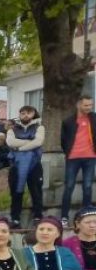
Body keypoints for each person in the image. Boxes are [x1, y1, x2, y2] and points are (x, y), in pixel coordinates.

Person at [7, 106, 45, 228]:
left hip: (34, 164)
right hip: (16, 165)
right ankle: (15, 219)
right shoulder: (12, 129)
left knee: (36, 192)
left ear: (34, 114)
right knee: (16, 192)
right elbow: (10, 142)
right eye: (22, 113)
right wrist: (30, 143)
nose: (25, 115)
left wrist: (20, 148)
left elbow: (38, 142)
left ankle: (38, 217)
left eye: (28, 113)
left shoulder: (39, 127)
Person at [61, 95, 96, 226]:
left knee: (88, 186)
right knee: (69, 186)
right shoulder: (68, 121)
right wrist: (69, 152)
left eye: (91, 105)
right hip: (73, 158)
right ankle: (64, 217)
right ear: (79, 105)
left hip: (90, 157)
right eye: (86, 105)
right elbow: (63, 140)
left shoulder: (94, 118)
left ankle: (86, 215)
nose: (89, 108)